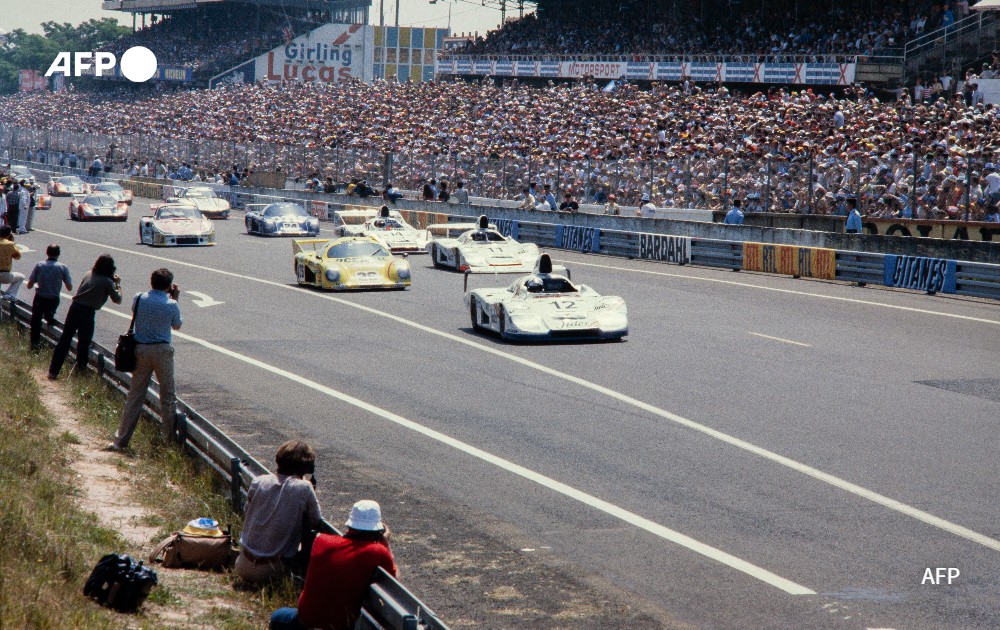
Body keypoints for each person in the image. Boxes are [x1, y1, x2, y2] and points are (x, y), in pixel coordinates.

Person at [269, 500, 397, 630]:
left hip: (305, 622)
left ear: (350, 524)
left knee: (278, 616)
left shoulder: (321, 540)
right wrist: (386, 544)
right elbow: (395, 580)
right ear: (377, 530)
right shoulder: (377, 551)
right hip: (340, 626)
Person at [110, 268, 182, 451]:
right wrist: (174, 298)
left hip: (140, 350)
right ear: (168, 285)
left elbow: (136, 313)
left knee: (135, 396)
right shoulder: (171, 304)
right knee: (167, 397)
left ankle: (121, 439)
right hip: (162, 351)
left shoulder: (139, 298)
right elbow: (177, 325)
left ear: (151, 282)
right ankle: (168, 441)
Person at [236, 440, 323, 585]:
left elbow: (247, 511)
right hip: (272, 570)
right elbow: (316, 520)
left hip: (243, 564)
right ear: (306, 467)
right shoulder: (304, 488)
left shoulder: (259, 481)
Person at [48, 254, 121, 379]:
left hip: (74, 308)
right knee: (83, 345)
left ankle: (53, 371)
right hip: (87, 313)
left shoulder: (88, 273)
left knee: (65, 340)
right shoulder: (107, 282)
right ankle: (79, 374)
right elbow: (117, 299)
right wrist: (118, 284)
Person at [26, 244, 73, 351]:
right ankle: (50, 316)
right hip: (53, 299)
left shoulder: (40, 265)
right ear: (58, 254)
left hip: (40, 297)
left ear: (47, 253)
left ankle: (34, 345)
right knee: (49, 314)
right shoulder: (62, 267)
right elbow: (69, 287)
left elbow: (29, 285)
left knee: (36, 322)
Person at [0, 225, 24, 302]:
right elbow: (17, 256)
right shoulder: (10, 244)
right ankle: (10, 294)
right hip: (4, 274)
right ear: (9, 234)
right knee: (21, 277)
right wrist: (12, 242)